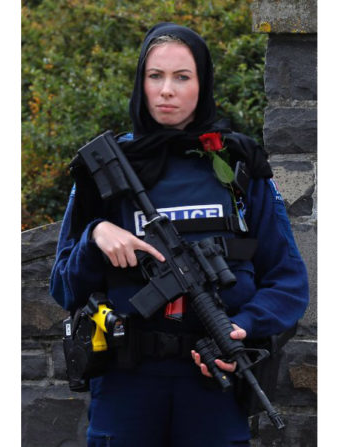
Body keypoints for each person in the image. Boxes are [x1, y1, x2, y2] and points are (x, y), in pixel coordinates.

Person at [50, 22, 309, 447]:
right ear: (141, 82)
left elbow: (288, 282)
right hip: (126, 383)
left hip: (213, 381)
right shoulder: (105, 172)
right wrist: (95, 236)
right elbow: (62, 286)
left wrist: (242, 327)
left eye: (182, 77)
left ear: (202, 83)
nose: (167, 90)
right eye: (156, 76)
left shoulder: (238, 168)